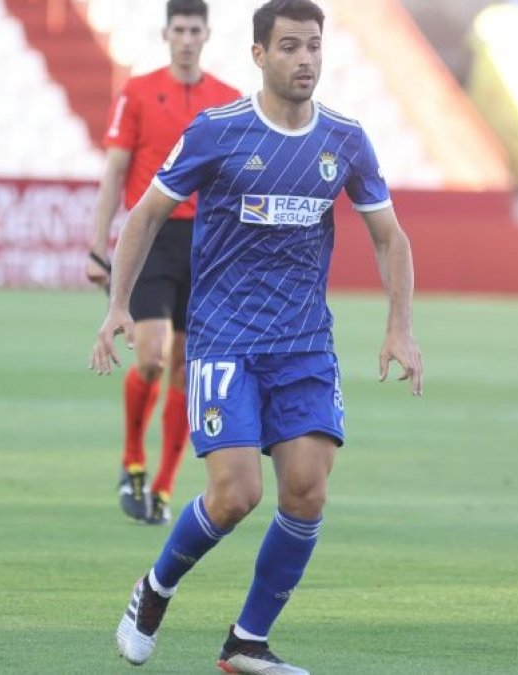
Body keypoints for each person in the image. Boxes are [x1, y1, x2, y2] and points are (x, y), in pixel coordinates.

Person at [90, 0, 424, 671]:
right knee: (236, 494)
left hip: (304, 346)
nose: (306, 59)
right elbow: (147, 213)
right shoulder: (218, 132)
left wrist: (400, 327)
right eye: (291, 46)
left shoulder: (345, 139)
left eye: (314, 46)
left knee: (306, 491)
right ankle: (154, 589)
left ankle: (247, 640)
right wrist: (118, 304)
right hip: (225, 340)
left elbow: (390, 236)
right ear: (259, 54)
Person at [86, 0, 239, 525]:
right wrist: (98, 247)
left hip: (206, 244)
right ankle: (132, 461)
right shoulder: (136, 92)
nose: (188, 39)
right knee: (150, 357)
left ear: (207, 35)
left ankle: (164, 487)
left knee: (184, 370)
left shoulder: (228, 101)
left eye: (196, 30)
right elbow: (114, 172)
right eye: (180, 29)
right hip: (151, 236)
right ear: (166, 34)